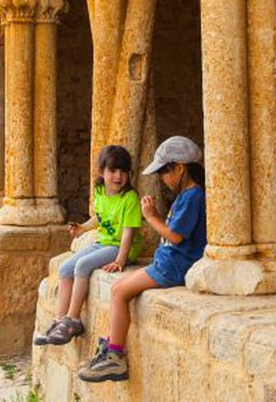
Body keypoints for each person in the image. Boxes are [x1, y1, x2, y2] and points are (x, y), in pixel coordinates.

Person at [78, 135, 206, 383]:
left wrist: (150, 216)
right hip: (166, 262)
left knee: (119, 292)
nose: (161, 179)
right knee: (117, 287)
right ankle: (109, 349)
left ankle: (115, 358)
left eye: (163, 172)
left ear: (179, 168)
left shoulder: (193, 197)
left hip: (173, 266)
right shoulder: (186, 196)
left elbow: (176, 237)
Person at [34, 145, 142, 346]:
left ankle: (73, 320)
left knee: (82, 266)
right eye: (113, 170)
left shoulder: (130, 198)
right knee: (66, 268)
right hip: (104, 243)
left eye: (123, 171)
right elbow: (100, 218)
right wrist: (82, 228)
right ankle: (59, 321)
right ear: (101, 171)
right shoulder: (100, 191)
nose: (118, 176)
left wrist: (121, 259)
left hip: (121, 247)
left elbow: (128, 233)